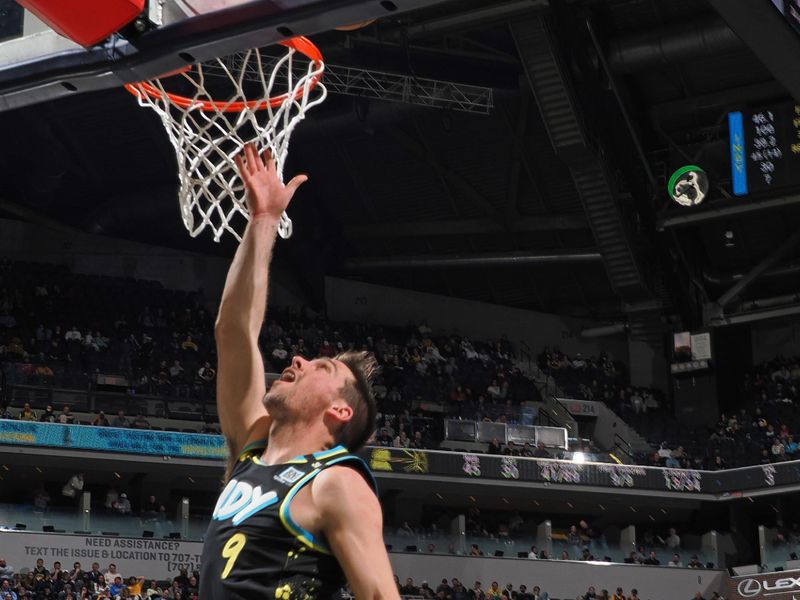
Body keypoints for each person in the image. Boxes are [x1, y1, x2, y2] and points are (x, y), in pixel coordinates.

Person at [198, 144, 394, 600]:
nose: (298, 361)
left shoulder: (337, 482)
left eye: (321, 366)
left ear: (341, 410)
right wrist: (263, 222)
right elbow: (233, 331)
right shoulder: (252, 448)